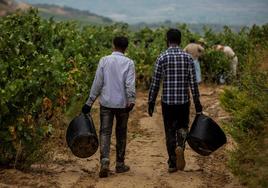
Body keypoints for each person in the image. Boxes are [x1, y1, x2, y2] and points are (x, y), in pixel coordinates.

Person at [148, 29, 203, 173]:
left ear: (167, 40)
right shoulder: (188, 58)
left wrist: (151, 102)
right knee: (183, 127)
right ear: (180, 40)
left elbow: (155, 82)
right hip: (183, 102)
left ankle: (172, 163)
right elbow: (193, 83)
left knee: (169, 130)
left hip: (167, 103)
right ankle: (180, 145)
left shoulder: (162, 57)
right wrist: (197, 103)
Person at [82, 36, 136, 178]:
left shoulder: (104, 60)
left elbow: (97, 83)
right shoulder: (129, 63)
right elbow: (130, 84)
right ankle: (120, 164)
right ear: (126, 48)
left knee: (105, 132)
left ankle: (105, 161)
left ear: (113, 45)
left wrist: (89, 102)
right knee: (121, 132)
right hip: (123, 105)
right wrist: (131, 100)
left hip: (106, 103)